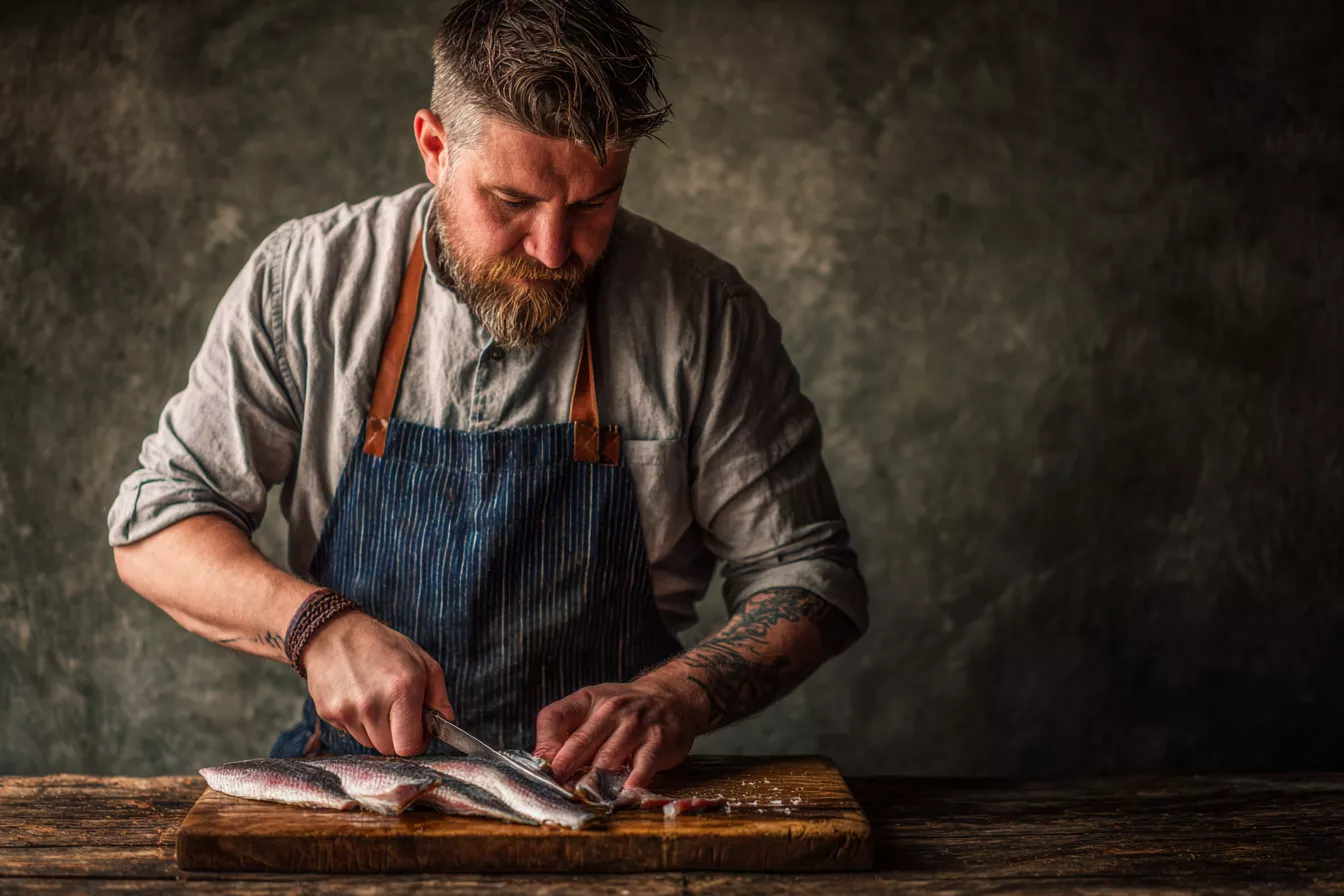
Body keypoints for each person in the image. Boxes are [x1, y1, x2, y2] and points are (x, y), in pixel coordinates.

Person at [109, 0, 867, 789]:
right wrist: (314, 626)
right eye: (511, 202)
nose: (552, 248)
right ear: (434, 148)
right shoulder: (306, 282)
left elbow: (809, 573)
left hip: (604, 805)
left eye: (592, 204)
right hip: (361, 798)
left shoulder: (705, 316)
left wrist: (679, 694)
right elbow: (155, 526)